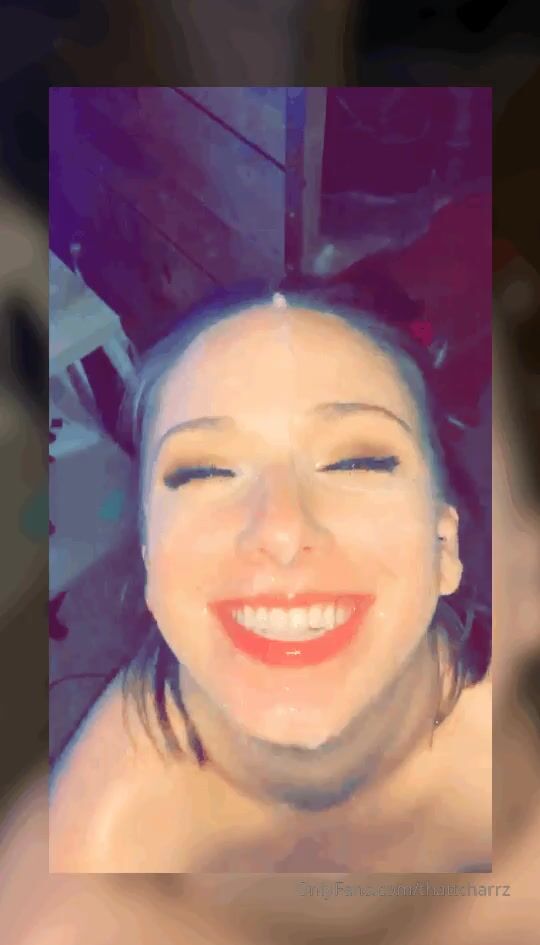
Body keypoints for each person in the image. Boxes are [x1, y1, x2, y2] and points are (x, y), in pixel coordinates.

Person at [48, 276, 491, 872]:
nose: (281, 529)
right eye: (205, 472)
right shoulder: (93, 847)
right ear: (151, 559)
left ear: (444, 545)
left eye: (355, 462)